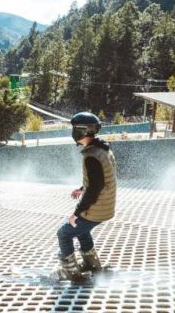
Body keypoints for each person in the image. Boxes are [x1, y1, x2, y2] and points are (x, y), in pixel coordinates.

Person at [54, 112, 117, 281]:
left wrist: (76, 213)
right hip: (105, 206)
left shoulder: (91, 156)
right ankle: (92, 264)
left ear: (83, 131)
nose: (73, 132)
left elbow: (95, 187)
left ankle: (71, 272)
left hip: (97, 207)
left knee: (64, 233)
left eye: (74, 128)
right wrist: (82, 188)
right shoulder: (102, 149)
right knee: (82, 230)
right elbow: (100, 178)